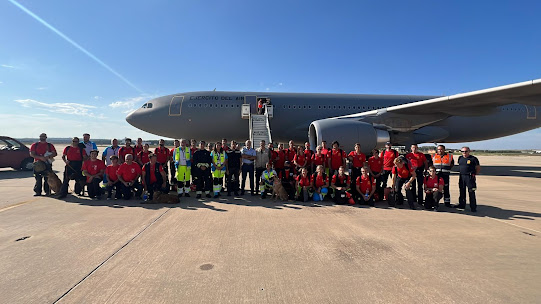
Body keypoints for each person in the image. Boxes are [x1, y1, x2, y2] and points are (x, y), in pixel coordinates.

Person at [455, 147, 481, 212]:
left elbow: (478, 167)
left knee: (471, 192)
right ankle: (462, 205)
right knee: (462, 191)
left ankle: (473, 207)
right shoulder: (460, 158)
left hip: (469, 177)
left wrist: (474, 174)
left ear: (469, 151)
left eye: (466, 151)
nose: (464, 153)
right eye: (462, 151)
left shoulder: (473, 159)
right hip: (462, 176)